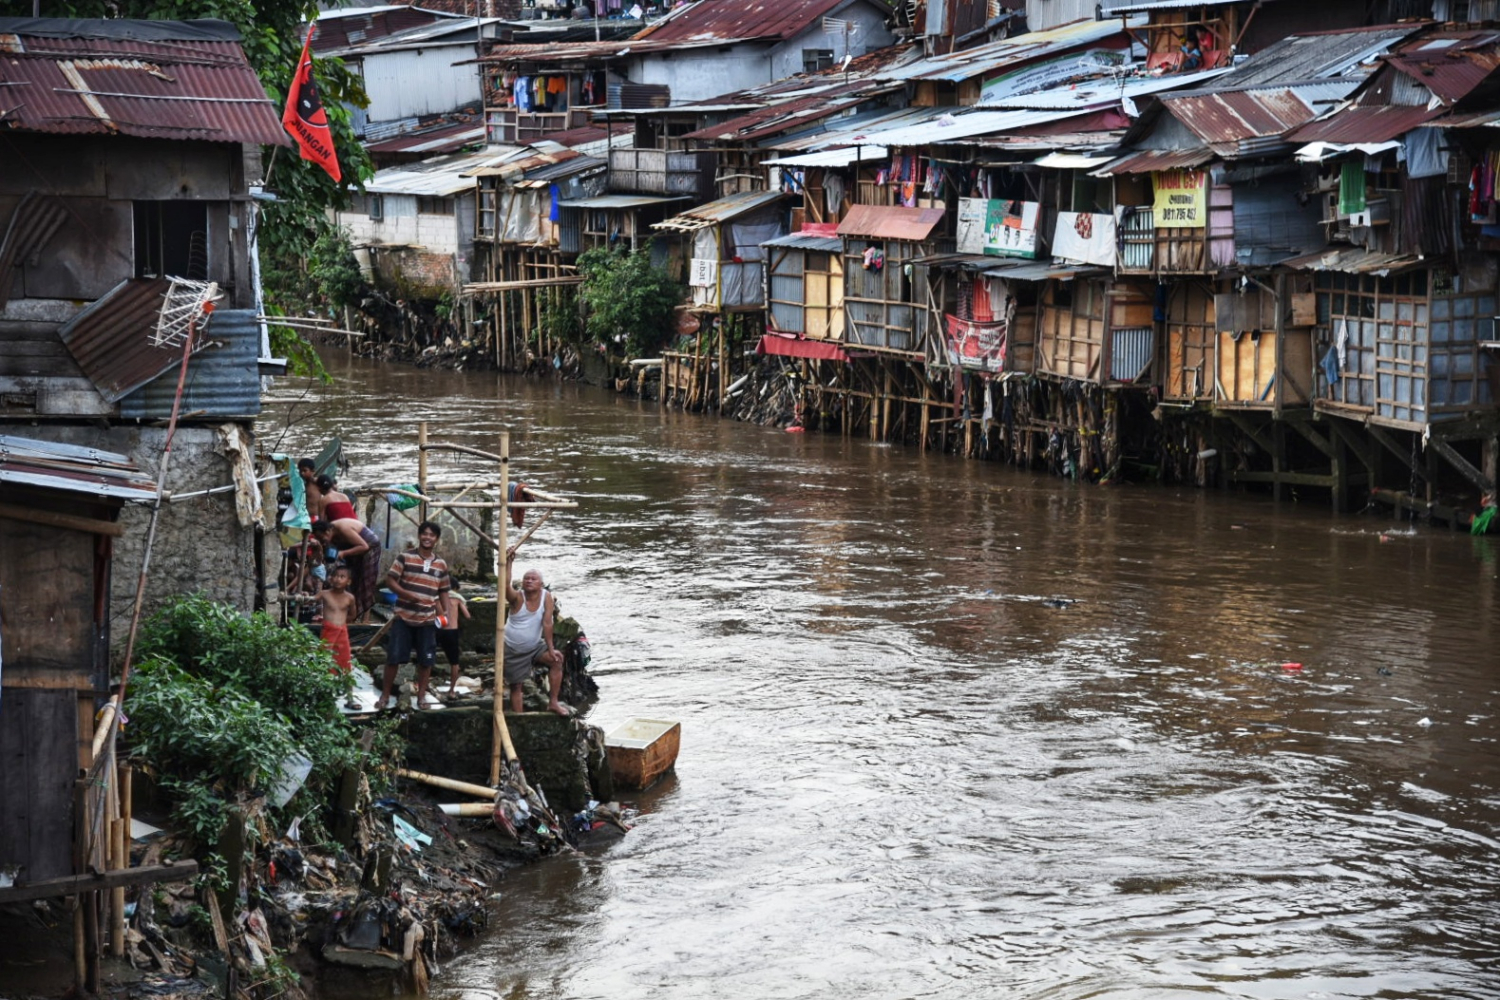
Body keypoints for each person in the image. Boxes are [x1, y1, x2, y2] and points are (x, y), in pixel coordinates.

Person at [383, 521, 451, 711]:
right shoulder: (405, 557)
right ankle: (385, 695)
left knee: (426, 661)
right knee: (393, 658)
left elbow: (444, 589)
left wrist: (445, 613)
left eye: (432, 535)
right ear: (419, 535)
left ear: (436, 539)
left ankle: (421, 697)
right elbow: (390, 581)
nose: (427, 538)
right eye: (425, 534)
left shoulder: (441, 564)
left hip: (427, 620)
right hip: (403, 617)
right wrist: (406, 595)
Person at [503, 549, 568, 716]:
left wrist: (551, 648)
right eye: (526, 579)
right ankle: (520, 717)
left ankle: (553, 703)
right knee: (516, 686)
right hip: (513, 648)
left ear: (541, 584)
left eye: (533, 579)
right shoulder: (517, 598)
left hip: (534, 646)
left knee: (557, 660)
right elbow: (504, 586)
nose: (529, 581)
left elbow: (547, 623)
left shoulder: (546, 596)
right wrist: (509, 562)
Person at [310, 514, 382, 621]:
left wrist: (343, 553)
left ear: (327, 532)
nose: (322, 541)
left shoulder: (343, 528)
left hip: (370, 547)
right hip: (355, 549)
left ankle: (365, 620)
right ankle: (352, 615)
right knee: (353, 579)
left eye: (322, 538)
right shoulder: (332, 534)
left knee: (366, 582)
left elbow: (364, 546)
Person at [317, 566, 361, 709]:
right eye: (335, 576)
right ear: (330, 578)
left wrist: (340, 625)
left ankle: (350, 699)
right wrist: (303, 596)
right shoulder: (324, 594)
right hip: (328, 633)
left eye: (342, 577)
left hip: (342, 633)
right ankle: (325, 697)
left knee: (345, 665)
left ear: (348, 581)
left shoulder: (349, 598)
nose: (337, 579)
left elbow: (353, 615)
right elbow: (310, 599)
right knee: (326, 664)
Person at [439, 581, 472, 697]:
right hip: (451, 631)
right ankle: (451, 691)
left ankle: (424, 687)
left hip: (437, 629)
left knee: (427, 659)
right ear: (454, 588)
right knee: (454, 662)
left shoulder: (436, 597)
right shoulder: (457, 598)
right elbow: (467, 615)